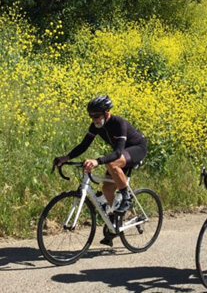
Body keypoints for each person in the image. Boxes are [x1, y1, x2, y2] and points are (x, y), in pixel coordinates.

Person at [55, 95, 147, 245]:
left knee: (111, 164)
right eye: (91, 116)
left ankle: (127, 198)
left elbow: (117, 153)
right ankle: (114, 222)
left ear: (106, 113)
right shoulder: (95, 126)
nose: (93, 119)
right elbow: (84, 145)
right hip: (122, 153)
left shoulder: (119, 123)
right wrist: (67, 157)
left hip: (137, 149)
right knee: (106, 189)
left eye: (96, 116)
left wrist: (97, 161)